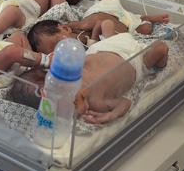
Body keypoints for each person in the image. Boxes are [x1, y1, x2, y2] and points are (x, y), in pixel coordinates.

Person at [26, 19, 169, 124]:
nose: (74, 99)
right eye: (74, 106)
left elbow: (48, 65)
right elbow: (125, 103)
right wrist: (110, 116)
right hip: (136, 61)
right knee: (160, 48)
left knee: (106, 23)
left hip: (106, 47)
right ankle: (158, 62)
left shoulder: (66, 72)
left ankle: (110, 33)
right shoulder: (96, 103)